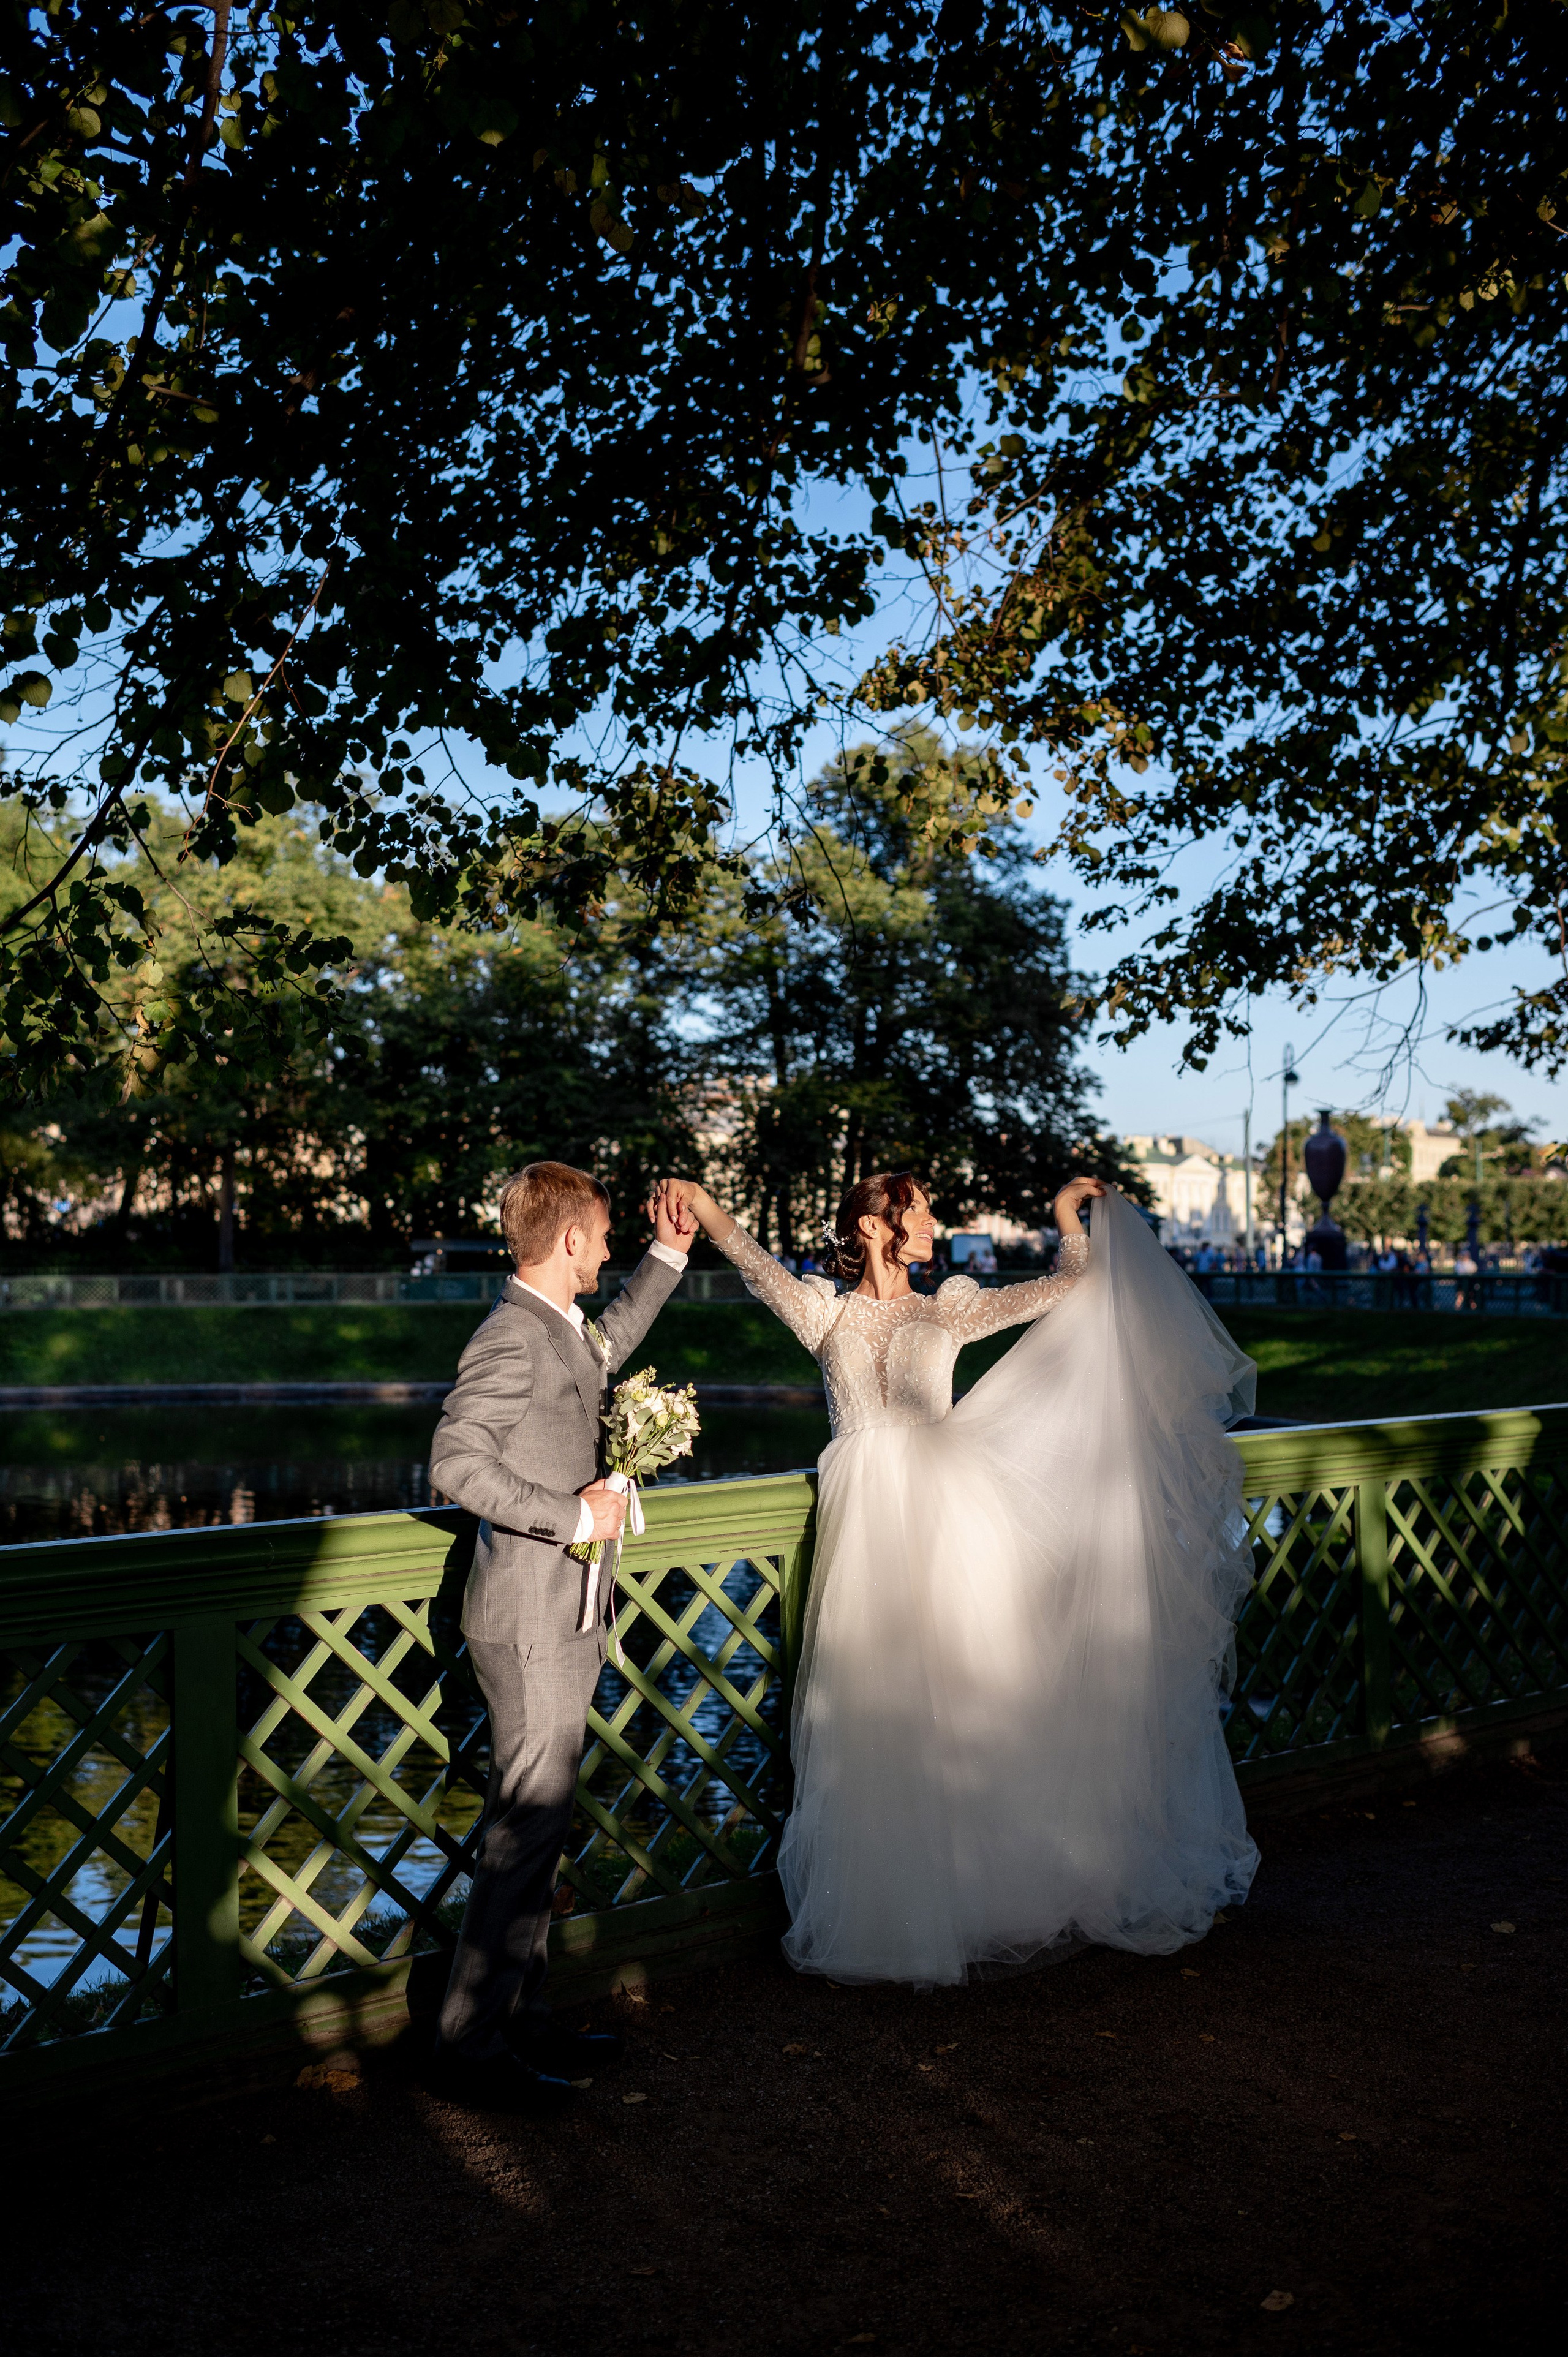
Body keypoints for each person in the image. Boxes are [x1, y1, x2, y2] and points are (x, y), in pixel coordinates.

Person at [654, 1169, 1259, 1988]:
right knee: (877, 1716)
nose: (933, 1224)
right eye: (920, 1212)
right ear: (874, 1227)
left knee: (970, 1704)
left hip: (952, 1532)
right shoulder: (824, 1313)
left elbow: (1068, 1288)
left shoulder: (949, 1310)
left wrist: (1066, 1215)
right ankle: (898, 1915)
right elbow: (752, 1260)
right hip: (867, 1543)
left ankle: (986, 1893)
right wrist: (699, 1200)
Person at [427, 1160, 692, 2111]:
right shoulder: (510, 1336)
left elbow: (609, 1340)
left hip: (565, 1615)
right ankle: (470, 2047)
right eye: (608, 1237)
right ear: (572, 1238)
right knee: (523, 1834)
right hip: (530, 1619)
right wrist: (575, 1518)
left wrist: (668, 1254)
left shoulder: (559, 1326)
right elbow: (455, 1462)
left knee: (540, 1833)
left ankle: (522, 2017)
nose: (609, 1250)